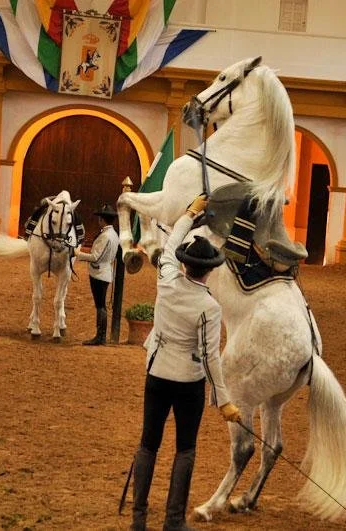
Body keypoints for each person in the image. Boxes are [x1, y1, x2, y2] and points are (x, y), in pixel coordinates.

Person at [129, 194, 241, 531]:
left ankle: (138, 518)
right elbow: (209, 358)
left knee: (148, 443)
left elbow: (173, 239)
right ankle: (173, 520)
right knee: (185, 449)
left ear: (185, 263)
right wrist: (224, 401)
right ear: (208, 271)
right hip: (188, 383)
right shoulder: (209, 307)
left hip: (157, 373)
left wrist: (190, 213)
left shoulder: (165, 277)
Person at [75, 203, 119, 346]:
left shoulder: (106, 236)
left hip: (100, 273)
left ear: (102, 219)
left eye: (99, 218)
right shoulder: (112, 234)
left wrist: (78, 254)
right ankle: (100, 335)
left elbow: (96, 257)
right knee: (100, 305)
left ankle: (100, 336)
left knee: (100, 306)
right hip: (103, 272)